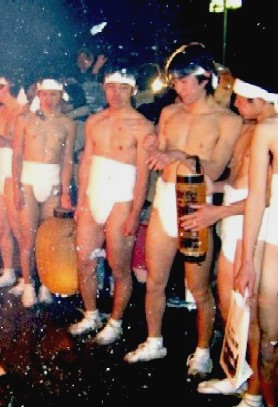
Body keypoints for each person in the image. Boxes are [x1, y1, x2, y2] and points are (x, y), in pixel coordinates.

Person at [123, 43, 242, 379]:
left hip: (194, 202)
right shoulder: (169, 113)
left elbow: (215, 170)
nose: (178, 86)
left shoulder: (227, 121)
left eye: (184, 80)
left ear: (204, 79)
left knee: (199, 287)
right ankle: (154, 341)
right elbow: (160, 152)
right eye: (174, 80)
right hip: (165, 199)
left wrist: (180, 155)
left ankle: (203, 351)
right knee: (155, 280)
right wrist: (154, 147)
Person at [191, 77, 274, 407]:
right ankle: (236, 374)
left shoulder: (269, 133)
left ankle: (254, 393)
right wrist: (209, 186)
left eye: (241, 98)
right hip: (230, 217)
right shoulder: (247, 129)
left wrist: (218, 211)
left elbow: (264, 197)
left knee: (249, 315)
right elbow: (236, 179)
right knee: (230, 307)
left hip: (250, 224)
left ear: (261, 100)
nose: (235, 103)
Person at [68, 66, 154, 340]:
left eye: (123, 88)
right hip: (94, 194)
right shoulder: (95, 121)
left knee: (119, 266)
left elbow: (143, 175)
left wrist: (135, 213)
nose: (116, 94)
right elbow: (86, 163)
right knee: (85, 259)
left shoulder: (142, 126)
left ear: (133, 90)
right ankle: (91, 314)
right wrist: (80, 201)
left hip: (122, 197)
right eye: (111, 87)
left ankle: (115, 323)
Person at [11, 78, 76, 307]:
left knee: (48, 239)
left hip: (53, 181)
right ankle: (28, 284)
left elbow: (67, 160)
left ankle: (46, 284)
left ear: (60, 96)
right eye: (45, 94)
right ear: (38, 95)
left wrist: (65, 191)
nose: (49, 99)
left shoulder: (67, 124)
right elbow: (17, 155)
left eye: (53, 94)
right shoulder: (25, 120)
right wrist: (16, 186)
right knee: (27, 237)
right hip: (29, 181)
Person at [237, 78, 278, 407]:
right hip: (274, 235)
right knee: (269, 341)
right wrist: (248, 261)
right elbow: (256, 198)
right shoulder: (268, 130)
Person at [0, 74, 27, 289]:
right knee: (2, 226)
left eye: (0, 86)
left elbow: (28, 145)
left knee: (18, 227)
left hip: (13, 168)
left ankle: (26, 278)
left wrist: (6, 141)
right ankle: (8, 271)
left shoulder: (23, 112)